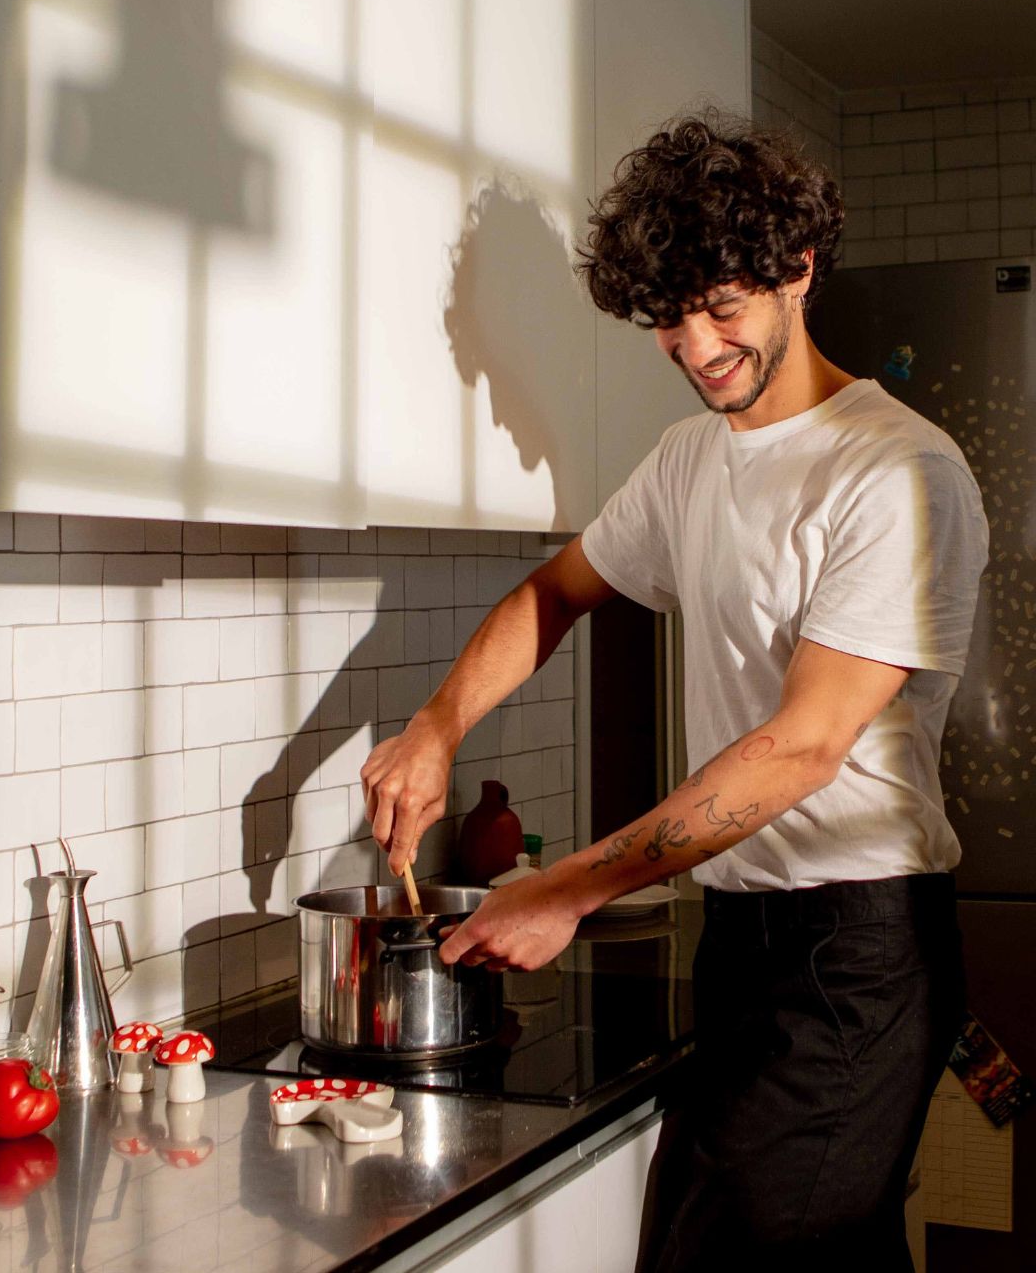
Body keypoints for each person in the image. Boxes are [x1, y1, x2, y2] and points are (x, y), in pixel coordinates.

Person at [359, 113, 989, 1270]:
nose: (697, 346)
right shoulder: (691, 461)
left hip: (854, 950)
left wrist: (568, 887)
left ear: (799, 267)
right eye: (669, 317)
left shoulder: (897, 469)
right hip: (742, 935)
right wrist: (436, 725)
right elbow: (554, 592)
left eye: (722, 306)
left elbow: (804, 746)